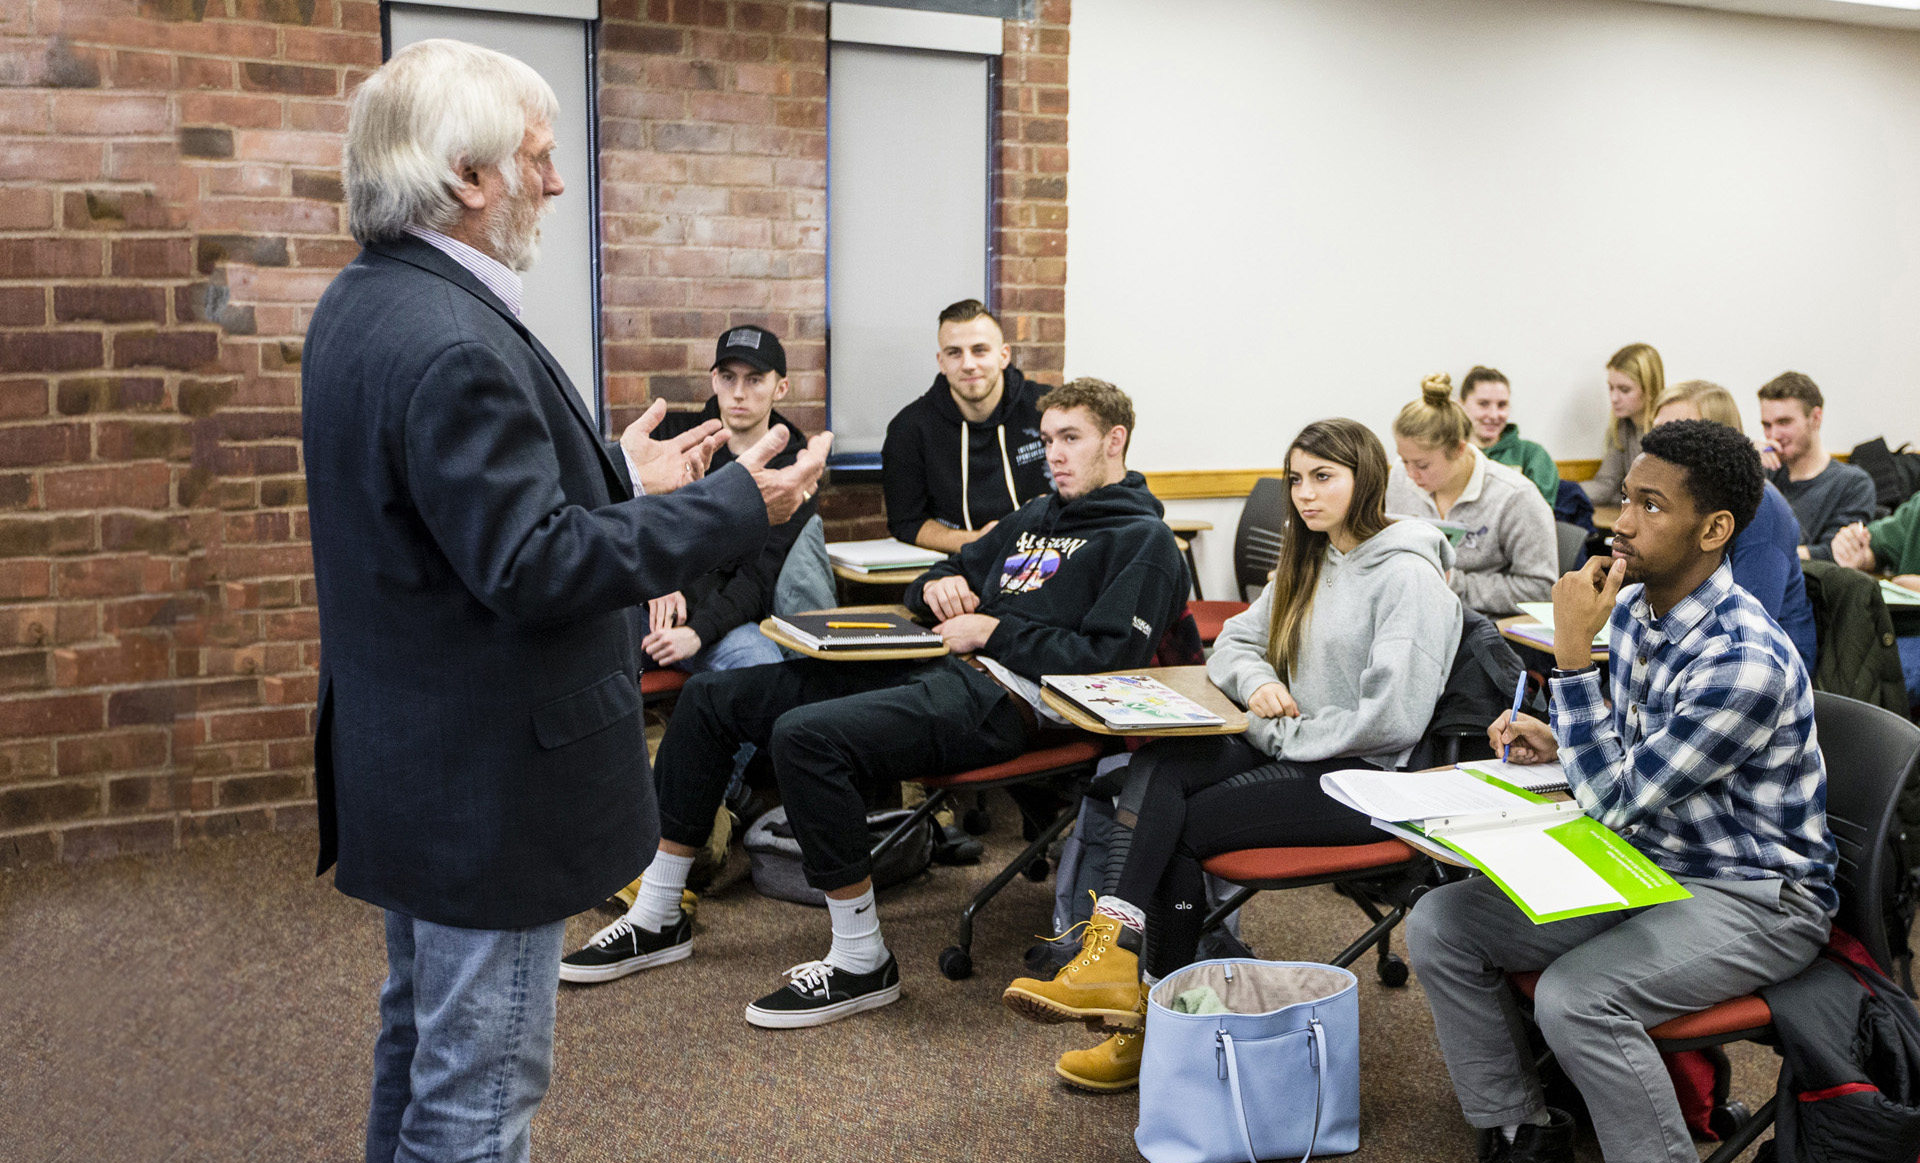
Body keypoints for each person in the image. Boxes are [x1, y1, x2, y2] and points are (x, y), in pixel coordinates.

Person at [303, 41, 828, 1163]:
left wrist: (615, 483)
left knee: (422, 1038)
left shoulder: (369, 301)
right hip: (487, 782)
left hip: (414, 758)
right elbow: (530, 565)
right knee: (479, 1091)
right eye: (539, 159)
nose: (554, 183)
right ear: (468, 176)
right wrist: (730, 502)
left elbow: (454, 527)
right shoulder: (452, 339)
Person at [559, 378, 1189, 1029]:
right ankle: (659, 913)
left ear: (1114, 441)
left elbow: (1112, 660)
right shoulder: (1034, 519)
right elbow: (939, 579)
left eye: (1071, 439)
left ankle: (863, 961)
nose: (1053, 454)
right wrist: (941, 591)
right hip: (936, 663)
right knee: (714, 697)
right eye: (1048, 439)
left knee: (806, 738)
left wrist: (998, 632)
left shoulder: (1143, 542)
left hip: (1006, 702)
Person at [1401, 419, 1836, 1163]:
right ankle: (1524, 1149)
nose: (1622, 523)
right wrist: (1561, 743)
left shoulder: (1744, 659)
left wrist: (1570, 666)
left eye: (1651, 506)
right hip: (1654, 860)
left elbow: (1618, 799)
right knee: (1443, 924)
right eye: (1625, 499)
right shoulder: (1640, 613)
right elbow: (1638, 768)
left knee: (1579, 998)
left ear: (1715, 529)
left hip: (1757, 898)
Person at [1002, 418, 1463, 1093]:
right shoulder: (1310, 559)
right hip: (1295, 744)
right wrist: (1264, 685)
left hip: (1364, 779)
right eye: (1297, 479)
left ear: (1366, 479)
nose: (1304, 495)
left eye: (1323, 478)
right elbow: (1233, 648)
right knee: (1159, 764)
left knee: (1177, 823)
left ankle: (1150, 1024)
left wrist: (1272, 729)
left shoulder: (1409, 577)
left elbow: (1389, 722)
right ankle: (1113, 960)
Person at [642, 325, 829, 673]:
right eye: (728, 378)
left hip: (723, 621)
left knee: (759, 669)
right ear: (714, 380)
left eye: (755, 380)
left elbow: (760, 576)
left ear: (781, 388)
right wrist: (654, 585)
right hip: (649, 607)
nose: (738, 393)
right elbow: (637, 525)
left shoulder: (794, 467)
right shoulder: (675, 437)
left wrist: (698, 632)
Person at [1652, 380, 1817, 670]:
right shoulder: (1672, 502)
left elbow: (1744, 627)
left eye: (1678, 433)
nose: (1659, 448)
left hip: (1762, 671)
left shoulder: (1762, 506)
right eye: (1656, 433)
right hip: (1694, 657)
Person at [881, 299, 1053, 554]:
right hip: (958, 563)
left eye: (980, 350)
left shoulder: (1048, 411)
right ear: (941, 362)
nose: (968, 364)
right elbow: (907, 522)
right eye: (954, 353)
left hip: (1049, 554)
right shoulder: (909, 429)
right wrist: (977, 541)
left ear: (1004, 355)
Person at [1387, 373, 1556, 616]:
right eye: (1404, 461)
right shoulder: (1401, 475)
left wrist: (1454, 582)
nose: (1411, 474)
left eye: (1422, 466)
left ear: (1459, 449)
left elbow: (1540, 589)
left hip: (1484, 629)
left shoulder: (1516, 496)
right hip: (1415, 611)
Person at [1755, 371, 1876, 562]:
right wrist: (1747, 464)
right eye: (1767, 425)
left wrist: (1761, 554)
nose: (1774, 434)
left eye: (1784, 422)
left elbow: (1837, 554)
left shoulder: (1852, 483)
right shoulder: (1762, 473)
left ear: (1816, 418)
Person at [1832, 493, 1920, 704]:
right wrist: (1859, 551)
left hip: (1908, 641)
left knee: (1861, 691)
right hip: (1891, 632)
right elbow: (1879, 544)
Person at [1461, 364, 1559, 506]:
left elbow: (1539, 514)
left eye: (1501, 405)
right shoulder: (1450, 453)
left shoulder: (1532, 455)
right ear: (1461, 404)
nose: (1494, 415)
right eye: (1483, 404)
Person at [1582, 342, 1663, 505]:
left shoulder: (1666, 430)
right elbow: (1606, 485)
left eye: (1624, 390)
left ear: (1649, 389)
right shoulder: (1622, 427)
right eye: (1611, 388)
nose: (1614, 398)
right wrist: (1561, 490)